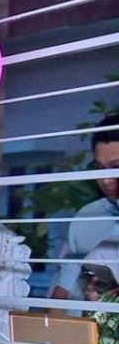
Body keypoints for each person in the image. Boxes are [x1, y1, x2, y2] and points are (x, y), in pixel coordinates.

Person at [51, 122, 119, 301]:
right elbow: (61, 291)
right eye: (99, 168)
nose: (105, 180)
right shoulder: (88, 216)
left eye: (116, 167)